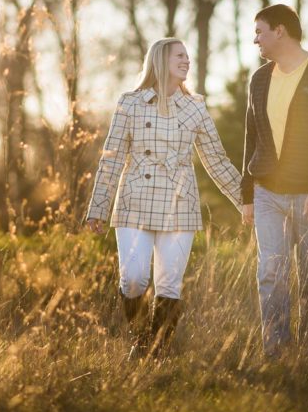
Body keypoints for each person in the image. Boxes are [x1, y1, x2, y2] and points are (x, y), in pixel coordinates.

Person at [86, 38, 242, 360]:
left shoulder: (195, 106)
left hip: (179, 200)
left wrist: (246, 200)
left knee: (169, 284)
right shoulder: (130, 103)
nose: (187, 61)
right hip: (134, 199)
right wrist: (97, 209)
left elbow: (216, 159)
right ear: (160, 60)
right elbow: (112, 158)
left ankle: (153, 353)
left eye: (188, 55)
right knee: (133, 278)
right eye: (180, 56)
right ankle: (141, 338)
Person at [241, 4, 308, 358]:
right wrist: (247, 195)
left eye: (260, 32)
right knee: (271, 273)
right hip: (267, 192)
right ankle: (278, 353)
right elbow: (251, 138)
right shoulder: (258, 79)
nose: (255, 39)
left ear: (280, 31)